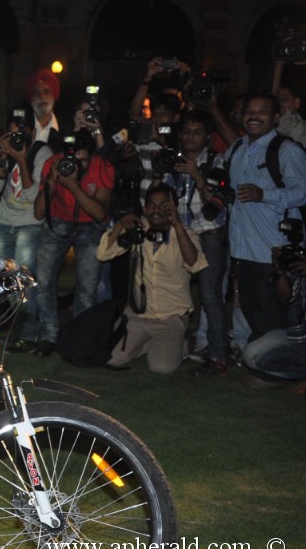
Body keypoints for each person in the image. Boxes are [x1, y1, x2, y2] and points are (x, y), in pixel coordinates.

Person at [97, 185, 208, 373]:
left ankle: (178, 343)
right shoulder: (139, 230)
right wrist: (119, 225)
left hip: (171, 316)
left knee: (161, 368)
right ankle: (153, 344)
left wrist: (178, 224)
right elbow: (103, 254)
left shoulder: (186, 234)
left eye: (163, 205)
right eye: (152, 205)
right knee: (112, 359)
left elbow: (195, 264)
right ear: (145, 207)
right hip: (139, 314)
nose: (156, 210)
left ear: (173, 208)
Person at [155, 111, 231, 377]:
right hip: (182, 232)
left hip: (209, 234)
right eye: (186, 131)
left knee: (210, 295)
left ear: (207, 136)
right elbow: (162, 197)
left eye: (196, 131)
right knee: (174, 291)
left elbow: (215, 206)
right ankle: (174, 345)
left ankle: (218, 356)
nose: (190, 136)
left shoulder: (216, 160)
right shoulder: (172, 161)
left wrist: (197, 175)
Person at [225, 93, 306, 341]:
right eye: (249, 111)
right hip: (243, 251)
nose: (253, 116)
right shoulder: (237, 148)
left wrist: (264, 194)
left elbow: (302, 193)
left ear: (276, 117)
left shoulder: (287, 149)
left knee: (275, 318)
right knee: (252, 312)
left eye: (262, 111)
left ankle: (273, 367)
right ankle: (262, 361)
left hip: (274, 253)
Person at [32, 129, 114, 356]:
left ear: (91, 156)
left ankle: (79, 338)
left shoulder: (103, 166)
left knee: (87, 287)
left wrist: (73, 186)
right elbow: (39, 213)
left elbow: (99, 213)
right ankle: (48, 334)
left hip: (91, 226)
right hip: (57, 221)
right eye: (72, 160)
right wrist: (51, 182)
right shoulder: (54, 163)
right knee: (44, 281)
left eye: (83, 160)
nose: (76, 165)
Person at [0, 108, 52, 350]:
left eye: (21, 132)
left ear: (32, 131)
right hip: (4, 221)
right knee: (7, 279)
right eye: (12, 132)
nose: (16, 138)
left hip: (29, 224)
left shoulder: (41, 152)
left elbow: (31, 194)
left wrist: (22, 159)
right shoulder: (6, 150)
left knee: (23, 280)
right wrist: (2, 158)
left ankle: (29, 333)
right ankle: (18, 330)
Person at [243, 250, 306, 386]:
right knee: (252, 355)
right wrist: (280, 271)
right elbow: (285, 297)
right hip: (300, 336)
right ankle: (298, 375)